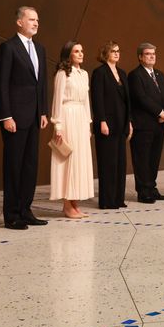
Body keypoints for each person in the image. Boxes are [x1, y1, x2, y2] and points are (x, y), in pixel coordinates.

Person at [0, 7, 49, 231]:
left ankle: (26, 210)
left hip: (34, 117)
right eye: (31, 19)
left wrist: (43, 111)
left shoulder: (40, 49)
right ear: (19, 22)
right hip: (14, 117)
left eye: (37, 20)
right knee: (14, 166)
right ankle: (12, 215)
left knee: (30, 166)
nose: (35, 23)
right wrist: (6, 115)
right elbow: (1, 85)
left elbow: (41, 84)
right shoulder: (8, 48)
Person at [49, 42, 94, 218]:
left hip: (81, 118)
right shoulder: (62, 74)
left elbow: (86, 101)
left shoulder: (84, 74)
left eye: (82, 50)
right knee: (68, 159)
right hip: (67, 117)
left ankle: (75, 204)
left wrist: (88, 123)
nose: (81, 54)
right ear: (68, 54)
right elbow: (57, 100)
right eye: (76, 51)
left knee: (80, 160)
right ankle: (67, 205)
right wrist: (57, 125)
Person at [127, 43, 164, 203]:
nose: (152, 56)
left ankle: (152, 188)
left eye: (153, 54)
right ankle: (143, 191)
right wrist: (160, 112)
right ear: (140, 57)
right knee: (142, 159)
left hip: (159, 124)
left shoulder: (159, 74)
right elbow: (141, 98)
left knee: (154, 158)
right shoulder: (135, 75)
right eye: (147, 54)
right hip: (143, 124)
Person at [90, 41, 131, 209]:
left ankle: (118, 199)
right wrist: (102, 121)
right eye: (113, 51)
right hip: (106, 123)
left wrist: (129, 122)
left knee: (120, 163)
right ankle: (107, 200)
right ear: (105, 54)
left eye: (118, 51)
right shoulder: (99, 73)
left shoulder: (122, 73)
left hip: (121, 123)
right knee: (108, 162)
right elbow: (97, 99)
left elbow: (128, 101)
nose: (117, 53)